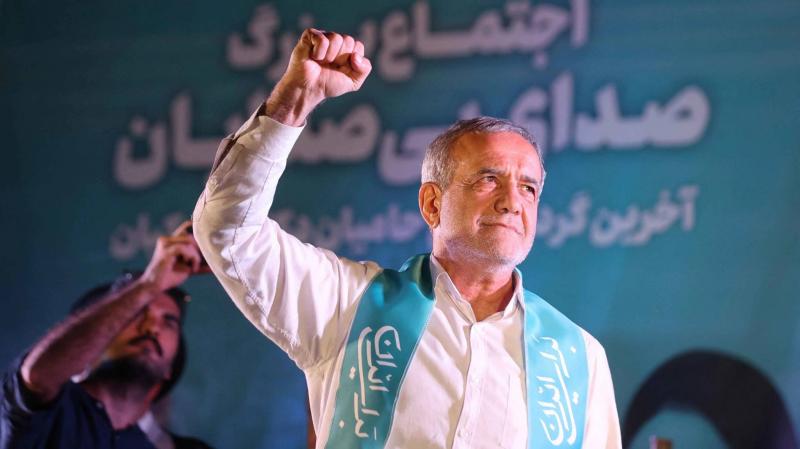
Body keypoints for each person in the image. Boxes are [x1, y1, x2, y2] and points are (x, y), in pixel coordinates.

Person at [192, 28, 622, 449]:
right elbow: (228, 231)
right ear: (432, 204)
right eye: (488, 179)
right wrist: (293, 101)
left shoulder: (578, 358)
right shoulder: (346, 304)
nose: (512, 202)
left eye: (528, 188)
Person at [1, 221, 212, 449]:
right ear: (96, 339)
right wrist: (150, 284)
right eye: (137, 313)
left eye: (169, 322)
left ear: (171, 369)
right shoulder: (47, 413)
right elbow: (37, 378)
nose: (151, 328)